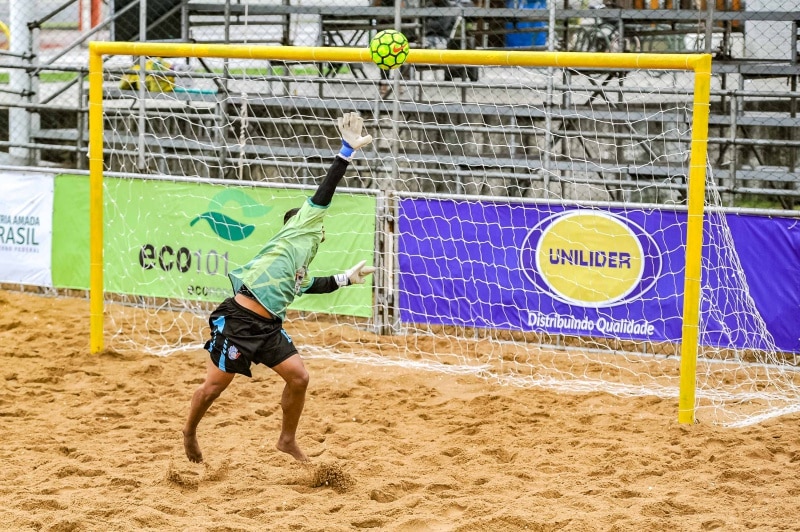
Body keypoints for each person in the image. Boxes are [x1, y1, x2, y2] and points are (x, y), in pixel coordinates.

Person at [182, 112, 376, 464]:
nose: (322, 224)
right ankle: (190, 432)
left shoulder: (300, 260)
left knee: (299, 378)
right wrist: (345, 152)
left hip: (269, 329)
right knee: (213, 389)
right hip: (239, 320)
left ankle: (287, 441)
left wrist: (347, 278)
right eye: (316, 219)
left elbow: (310, 285)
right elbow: (324, 193)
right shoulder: (300, 228)